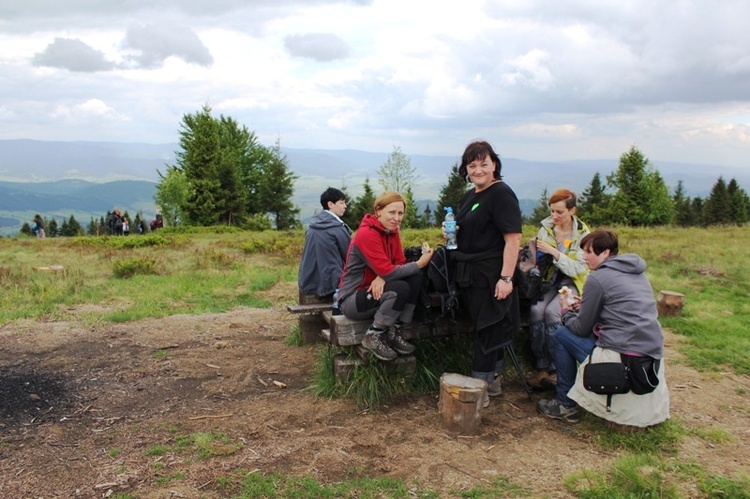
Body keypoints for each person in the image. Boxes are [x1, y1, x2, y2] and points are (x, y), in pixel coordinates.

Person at [537, 230, 670, 427]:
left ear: (605, 253)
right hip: (650, 351)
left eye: (589, 252)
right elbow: (620, 309)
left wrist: (565, 311)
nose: (584, 256)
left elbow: (580, 329)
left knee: (561, 334)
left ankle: (565, 404)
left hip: (621, 356)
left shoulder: (597, 278)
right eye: (583, 251)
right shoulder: (637, 273)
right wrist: (586, 305)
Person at [450, 141, 522, 407]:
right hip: (472, 274)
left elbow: (513, 240)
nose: (478, 170)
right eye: (472, 165)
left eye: (483, 164)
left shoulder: (501, 194)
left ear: (494, 164)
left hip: (491, 273)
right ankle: (492, 381)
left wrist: (506, 278)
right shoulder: (472, 195)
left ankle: (478, 392)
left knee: (488, 329)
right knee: (486, 329)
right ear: (466, 169)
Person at [337, 191, 434, 361]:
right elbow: (390, 270)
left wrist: (383, 276)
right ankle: (374, 335)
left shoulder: (392, 231)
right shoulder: (366, 234)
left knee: (415, 278)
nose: (396, 218)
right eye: (392, 212)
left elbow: (400, 262)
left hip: (377, 293)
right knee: (401, 287)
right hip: (353, 300)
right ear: (378, 210)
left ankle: (396, 329)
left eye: (400, 213)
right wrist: (420, 263)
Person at [527, 189, 590, 389]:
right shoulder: (545, 228)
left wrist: (554, 253)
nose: (554, 216)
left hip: (572, 282)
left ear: (572, 210)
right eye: (552, 211)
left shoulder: (583, 234)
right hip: (549, 281)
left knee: (553, 313)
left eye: (559, 212)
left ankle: (557, 369)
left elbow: (578, 268)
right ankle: (541, 366)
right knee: (536, 311)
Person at [298, 187, 352, 300]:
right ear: (330, 204)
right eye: (342, 203)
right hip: (331, 286)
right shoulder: (337, 228)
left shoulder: (312, 226)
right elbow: (350, 257)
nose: (345, 206)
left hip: (308, 283)